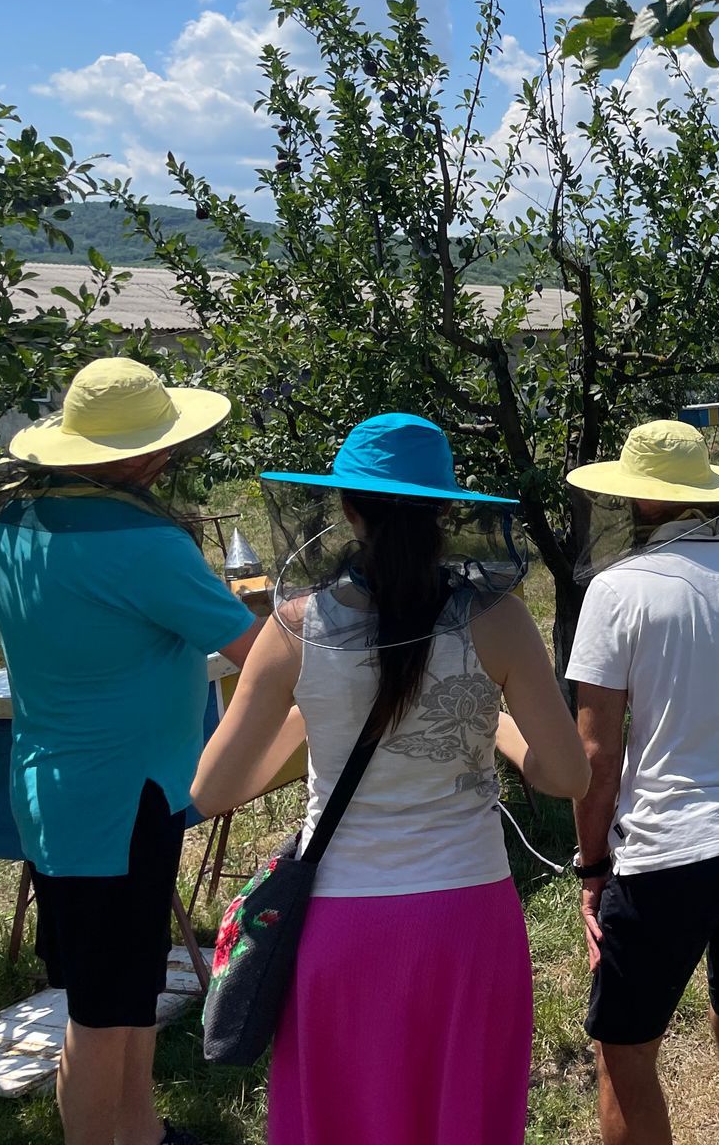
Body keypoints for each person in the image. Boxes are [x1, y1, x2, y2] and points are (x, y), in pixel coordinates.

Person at [191, 413, 589, 1145]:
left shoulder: (294, 628)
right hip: (468, 923)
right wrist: (487, 720)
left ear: (347, 508)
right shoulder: (497, 621)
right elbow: (567, 774)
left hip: (342, 927)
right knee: (458, 1116)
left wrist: (320, 710)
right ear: (443, 509)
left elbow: (213, 791)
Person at [0, 358, 262, 1145]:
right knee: (103, 1013)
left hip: (54, 791)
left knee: (117, 989)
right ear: (143, 458)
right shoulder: (144, 544)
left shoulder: (18, 527)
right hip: (122, 803)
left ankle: (139, 1130)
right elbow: (258, 650)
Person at [565, 420, 719, 1145]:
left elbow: (595, 756)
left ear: (640, 503)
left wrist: (591, 867)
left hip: (669, 848)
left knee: (624, 1047)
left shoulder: (617, 591)